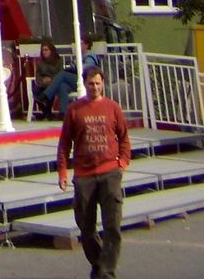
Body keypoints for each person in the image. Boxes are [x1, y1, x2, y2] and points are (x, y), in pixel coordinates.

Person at [57, 65, 131, 279]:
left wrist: (122, 163)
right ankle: (100, 265)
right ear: (84, 84)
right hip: (84, 176)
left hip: (110, 173)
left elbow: (124, 138)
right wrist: (62, 171)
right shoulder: (74, 110)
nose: (95, 87)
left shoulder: (113, 107)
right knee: (86, 228)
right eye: (91, 83)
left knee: (112, 227)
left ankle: (106, 273)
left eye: (98, 83)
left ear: (103, 84)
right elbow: (64, 144)